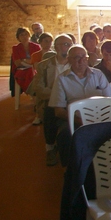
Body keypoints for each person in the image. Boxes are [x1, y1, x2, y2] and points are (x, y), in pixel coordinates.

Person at [48, 45, 111, 164]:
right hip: (75, 119)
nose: (81, 61)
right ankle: (72, 170)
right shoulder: (62, 79)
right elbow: (58, 110)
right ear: (69, 60)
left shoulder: (98, 74)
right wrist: (79, 121)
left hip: (101, 116)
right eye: (76, 57)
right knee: (65, 136)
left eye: (84, 57)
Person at [33, 34, 73, 164]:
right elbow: (38, 88)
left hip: (72, 101)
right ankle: (49, 147)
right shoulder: (44, 66)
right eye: (65, 44)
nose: (67, 48)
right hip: (52, 100)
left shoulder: (76, 64)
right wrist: (58, 96)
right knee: (51, 110)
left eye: (69, 45)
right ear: (56, 47)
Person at [12, 27, 41, 93]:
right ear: (18, 37)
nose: (24, 36)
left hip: (35, 69)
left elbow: (38, 60)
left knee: (33, 72)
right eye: (21, 35)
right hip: (22, 70)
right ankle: (33, 93)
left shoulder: (36, 46)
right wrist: (31, 61)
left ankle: (33, 93)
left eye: (26, 34)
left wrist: (23, 60)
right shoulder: (15, 48)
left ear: (29, 35)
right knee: (30, 73)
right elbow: (17, 63)